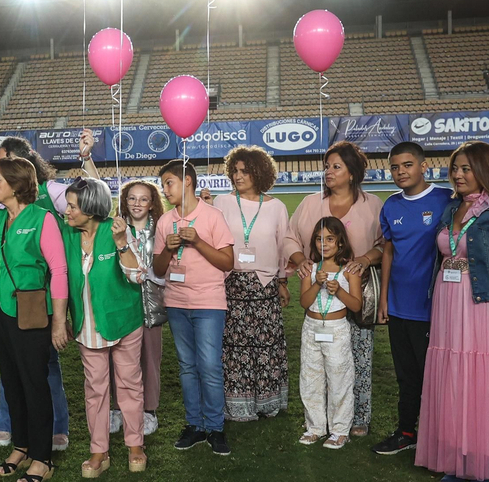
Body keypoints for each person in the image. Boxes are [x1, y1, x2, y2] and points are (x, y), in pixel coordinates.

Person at [0, 132, 96, 452]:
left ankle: (52, 434)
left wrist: (87, 158)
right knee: (11, 370)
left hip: (36, 301)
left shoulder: (45, 208)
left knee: (40, 369)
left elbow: (94, 198)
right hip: (0, 306)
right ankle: (14, 432)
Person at [414, 141, 489, 482]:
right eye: (455, 168)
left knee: (486, 378)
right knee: (455, 376)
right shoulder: (451, 208)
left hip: (487, 304)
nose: (458, 174)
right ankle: (459, 458)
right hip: (450, 301)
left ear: (485, 170)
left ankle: (488, 461)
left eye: (466, 168)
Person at [0, 157, 70, 482]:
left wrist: (59, 323)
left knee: (34, 383)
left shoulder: (43, 219)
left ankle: (42, 457)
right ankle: (21, 447)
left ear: (16, 184)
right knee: (11, 381)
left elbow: (59, 272)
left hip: (32, 312)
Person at [282, 142, 383, 436]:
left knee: (359, 358)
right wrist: (302, 261)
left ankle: (358, 418)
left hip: (357, 292)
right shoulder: (311, 203)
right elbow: (290, 239)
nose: (328, 171)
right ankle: (320, 422)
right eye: (327, 166)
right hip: (319, 297)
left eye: (336, 166)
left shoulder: (373, 205)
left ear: (352, 173)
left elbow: (384, 246)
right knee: (319, 363)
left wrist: (365, 259)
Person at [61, 178, 148, 476]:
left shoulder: (116, 229)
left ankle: (135, 444)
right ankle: (99, 451)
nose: (67, 211)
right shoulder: (67, 234)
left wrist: (123, 243)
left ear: (90, 208)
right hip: (87, 326)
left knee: (129, 384)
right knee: (95, 390)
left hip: (123, 321)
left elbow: (137, 276)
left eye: (73, 206)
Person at [373, 141, 454, 457]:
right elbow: (389, 250)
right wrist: (383, 298)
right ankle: (406, 432)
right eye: (394, 167)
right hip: (398, 305)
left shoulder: (446, 200)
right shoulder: (391, 205)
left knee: (434, 376)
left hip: (433, 305)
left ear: (423, 166)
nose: (400, 172)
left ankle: (439, 437)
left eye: (407, 165)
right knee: (406, 375)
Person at [152, 158, 235, 455]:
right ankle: (195, 425)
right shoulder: (164, 222)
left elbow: (228, 262)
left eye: (169, 183)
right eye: (162, 185)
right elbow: (159, 269)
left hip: (209, 302)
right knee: (187, 367)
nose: (165, 190)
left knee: (210, 366)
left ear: (187, 181)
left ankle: (215, 427)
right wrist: (168, 249)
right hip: (176, 303)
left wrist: (198, 242)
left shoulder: (212, 216)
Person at [220, 145, 291, 422]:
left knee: (266, 346)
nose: (238, 176)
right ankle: (239, 405)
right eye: (235, 171)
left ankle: (267, 402)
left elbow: (282, 246)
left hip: (265, 286)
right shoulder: (222, 202)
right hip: (231, 284)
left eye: (245, 171)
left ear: (259, 172)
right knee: (235, 348)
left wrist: (282, 281)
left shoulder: (277, 207)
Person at [298, 218, 364, 448]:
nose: (323, 244)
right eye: (318, 239)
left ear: (340, 242)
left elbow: (356, 306)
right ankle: (315, 427)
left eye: (329, 239)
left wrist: (339, 293)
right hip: (312, 329)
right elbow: (304, 302)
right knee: (310, 379)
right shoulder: (310, 269)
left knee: (339, 380)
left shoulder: (349, 270)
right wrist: (316, 284)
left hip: (336, 331)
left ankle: (339, 429)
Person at [118, 179, 166, 437]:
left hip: (151, 303)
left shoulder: (160, 228)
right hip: (122, 301)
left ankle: (149, 409)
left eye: (143, 199)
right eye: (132, 198)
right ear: (124, 201)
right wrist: (88, 158)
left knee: (149, 358)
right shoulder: (116, 227)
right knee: (120, 358)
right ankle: (117, 408)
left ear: (152, 203)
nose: (137, 204)